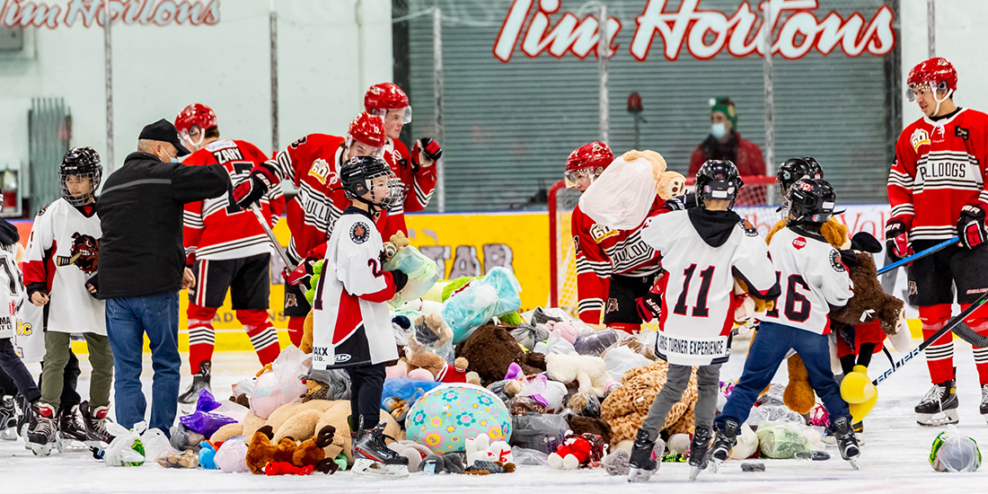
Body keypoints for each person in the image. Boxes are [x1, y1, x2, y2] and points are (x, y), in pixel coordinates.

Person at [630, 160, 780, 481]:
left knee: (673, 385)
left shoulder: (677, 221)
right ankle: (700, 446)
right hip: (713, 324)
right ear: (735, 192)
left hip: (677, 324)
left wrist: (674, 204)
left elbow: (645, 232)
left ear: (699, 189)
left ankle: (642, 447)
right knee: (709, 382)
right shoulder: (742, 232)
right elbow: (768, 284)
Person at [712, 178, 860, 468]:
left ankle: (726, 432)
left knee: (750, 385)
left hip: (774, 326)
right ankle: (845, 433)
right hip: (811, 330)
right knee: (826, 386)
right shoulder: (828, 252)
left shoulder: (779, 238)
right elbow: (841, 297)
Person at [97, 119, 229, 436]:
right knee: (166, 364)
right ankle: (158, 432)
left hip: (115, 290)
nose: (177, 158)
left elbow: (134, 229)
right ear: (158, 149)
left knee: (126, 369)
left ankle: (129, 435)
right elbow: (218, 179)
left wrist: (176, 264)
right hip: (155, 290)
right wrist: (207, 151)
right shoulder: (163, 175)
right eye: (174, 152)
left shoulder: (112, 182)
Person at [231, 112, 394, 347]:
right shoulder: (317, 147)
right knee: (297, 329)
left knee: (335, 332)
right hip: (297, 256)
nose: (366, 159)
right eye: (361, 150)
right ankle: (307, 380)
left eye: (374, 153)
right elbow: (281, 162)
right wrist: (258, 181)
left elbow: (352, 242)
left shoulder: (374, 187)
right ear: (348, 141)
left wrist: (311, 264)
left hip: (338, 270)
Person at [886, 57, 988, 426]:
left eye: (923, 89)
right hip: (924, 241)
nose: (918, 97)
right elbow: (899, 185)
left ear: (943, 88)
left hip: (969, 241)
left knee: (980, 316)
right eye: (914, 91)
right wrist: (900, 223)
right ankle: (944, 392)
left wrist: (980, 210)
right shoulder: (910, 135)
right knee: (931, 317)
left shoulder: (978, 124)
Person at [174, 103, 284, 409]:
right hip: (258, 245)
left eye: (186, 135)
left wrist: (189, 256)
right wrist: (263, 230)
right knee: (256, 318)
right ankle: (279, 379)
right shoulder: (250, 149)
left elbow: (192, 217)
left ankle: (200, 383)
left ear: (196, 132)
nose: (184, 143)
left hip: (215, 248)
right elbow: (275, 193)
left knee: (199, 315)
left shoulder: (196, 160)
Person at [309, 156, 409, 478]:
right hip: (352, 318)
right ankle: (368, 441)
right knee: (371, 375)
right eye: (378, 184)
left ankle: (362, 444)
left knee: (362, 376)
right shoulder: (360, 226)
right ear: (358, 188)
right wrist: (396, 281)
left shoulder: (355, 223)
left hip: (347, 316)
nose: (384, 189)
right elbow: (362, 282)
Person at [22, 147, 114, 454]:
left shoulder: (108, 211)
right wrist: (34, 286)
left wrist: (108, 280)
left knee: (103, 359)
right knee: (55, 359)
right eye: (69, 179)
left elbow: (117, 252)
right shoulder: (53, 212)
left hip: (97, 298)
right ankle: (47, 414)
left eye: (81, 179)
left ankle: (97, 414)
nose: (74, 185)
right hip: (60, 297)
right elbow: (35, 252)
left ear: (94, 180)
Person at [566, 142, 662, 333]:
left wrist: (666, 282)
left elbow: (678, 235)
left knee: (677, 333)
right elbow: (591, 268)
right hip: (623, 278)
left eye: (579, 176)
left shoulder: (645, 190)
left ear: (599, 171)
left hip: (663, 271)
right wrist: (589, 321)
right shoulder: (582, 215)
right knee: (621, 341)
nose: (576, 184)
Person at [364, 82, 442, 239]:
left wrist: (424, 170)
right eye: (395, 117)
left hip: (396, 247)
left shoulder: (399, 150)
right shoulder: (361, 153)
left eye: (403, 116)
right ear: (376, 114)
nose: (402, 123)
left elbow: (415, 203)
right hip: (368, 249)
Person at [0, 195, 44, 449]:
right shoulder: (8, 231)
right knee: (3, 351)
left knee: (4, 352)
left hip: (3, 297)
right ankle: (15, 398)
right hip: (9, 297)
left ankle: (31, 399)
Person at [688, 98, 766, 205]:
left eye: (719, 118)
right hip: (710, 209)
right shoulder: (700, 153)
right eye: (713, 119)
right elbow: (693, 185)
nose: (715, 123)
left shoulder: (750, 152)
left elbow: (761, 188)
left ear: (730, 122)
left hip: (745, 210)